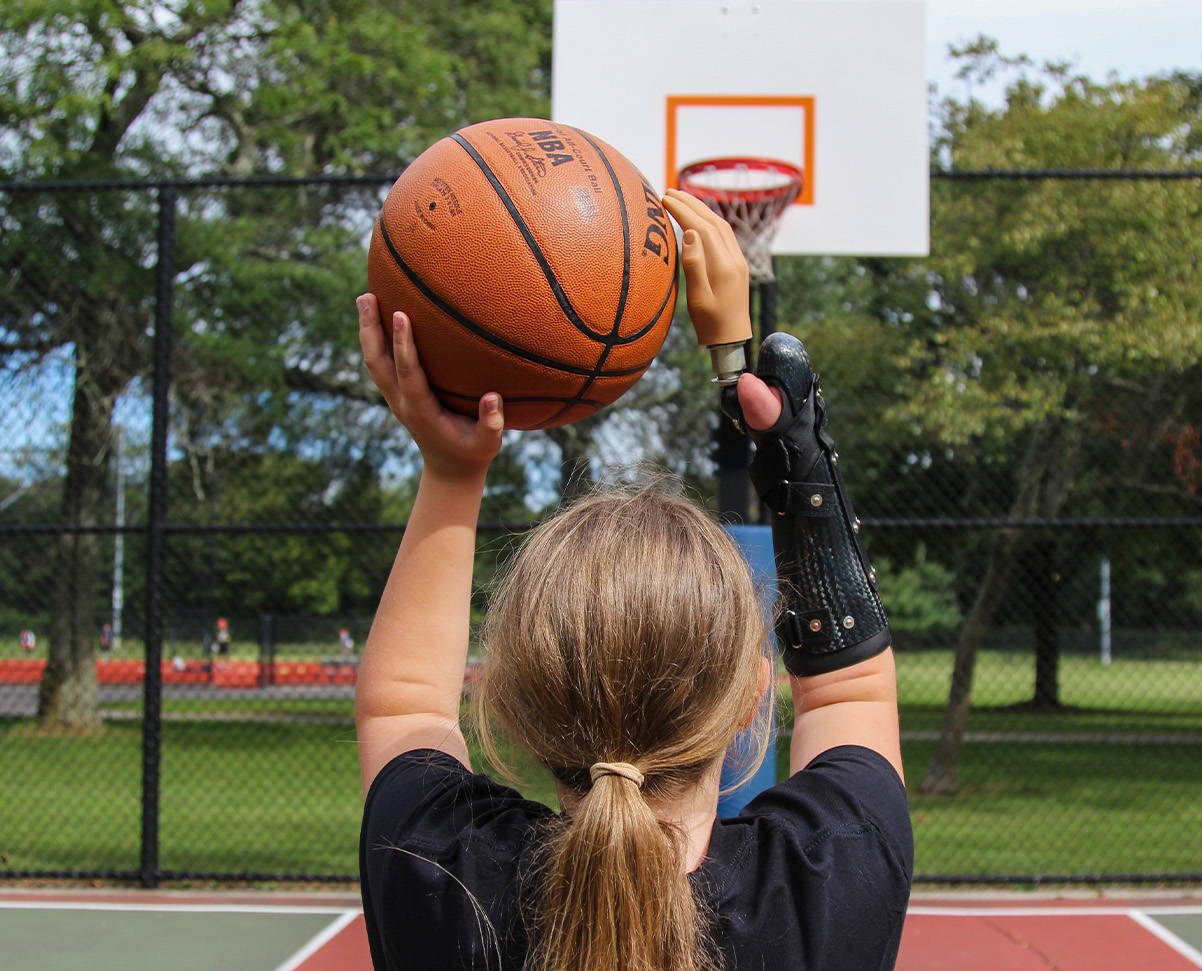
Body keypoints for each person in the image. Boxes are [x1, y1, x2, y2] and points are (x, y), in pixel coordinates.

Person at [355, 189, 913, 971]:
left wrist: (452, 466)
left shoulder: (442, 871)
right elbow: (849, 688)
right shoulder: (830, 875)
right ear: (754, 694)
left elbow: (403, 697)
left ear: (506, 695)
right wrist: (766, 407)